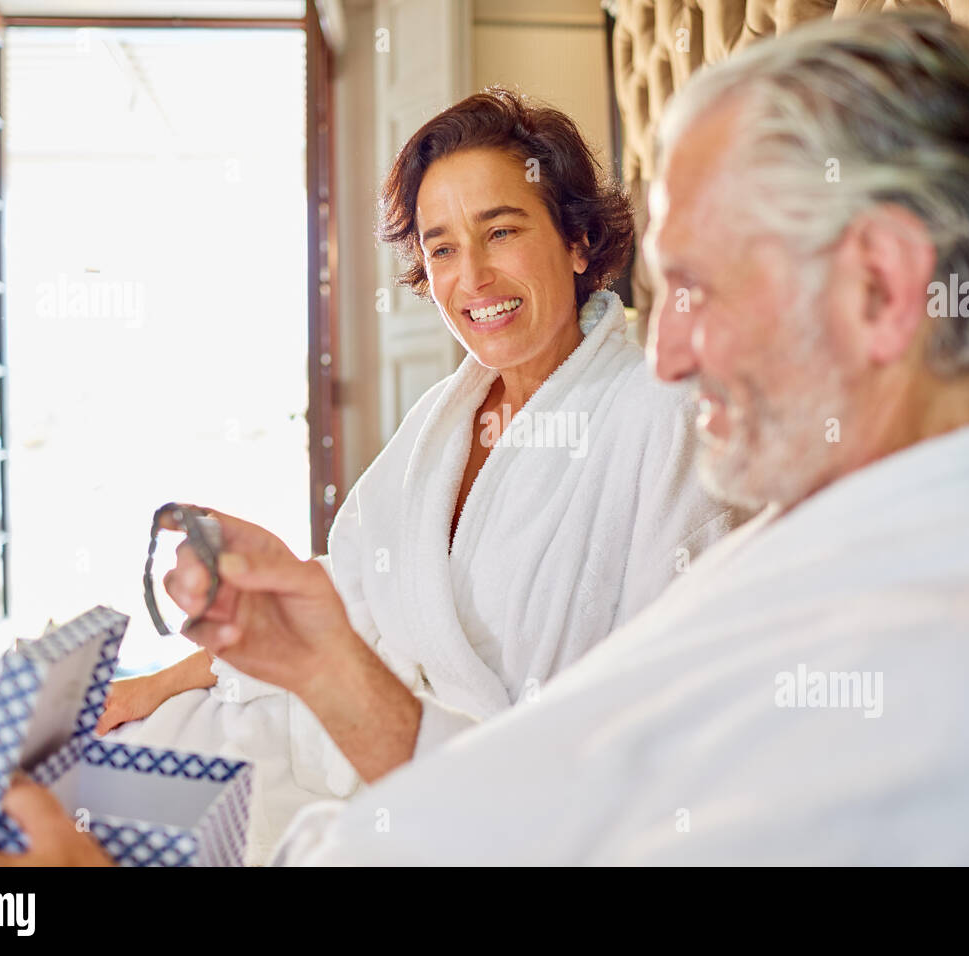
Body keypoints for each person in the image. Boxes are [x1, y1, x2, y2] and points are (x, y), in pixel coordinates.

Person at [0, 10, 969, 867]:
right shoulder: (829, 567)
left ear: (883, 285)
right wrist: (328, 659)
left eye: (700, 283)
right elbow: (563, 798)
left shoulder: (966, 688)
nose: (669, 346)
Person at [47, 88, 729, 862]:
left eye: (500, 231)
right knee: (71, 787)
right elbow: (346, 593)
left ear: (577, 241)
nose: (470, 278)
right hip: (323, 737)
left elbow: (668, 714)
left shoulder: (663, 419)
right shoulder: (440, 420)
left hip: (471, 805)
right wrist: (156, 684)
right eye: (441, 249)